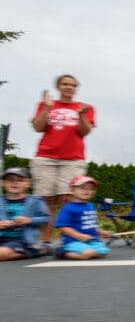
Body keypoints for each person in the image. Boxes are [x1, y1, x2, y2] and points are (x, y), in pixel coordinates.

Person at [30, 74, 95, 243]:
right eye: (65, 84)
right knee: (45, 200)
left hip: (72, 158)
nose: (69, 87)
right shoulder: (45, 105)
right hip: (46, 156)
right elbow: (38, 127)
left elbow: (85, 132)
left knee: (69, 199)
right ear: (58, 87)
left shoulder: (85, 107)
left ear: (76, 88)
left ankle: (70, 240)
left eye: (72, 85)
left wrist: (81, 115)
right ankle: (46, 241)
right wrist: (46, 108)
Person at [54, 176, 113, 260]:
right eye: (82, 188)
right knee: (89, 253)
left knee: (103, 252)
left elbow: (91, 224)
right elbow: (64, 227)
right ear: (72, 190)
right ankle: (64, 253)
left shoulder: (91, 206)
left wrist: (102, 232)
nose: (87, 191)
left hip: (91, 240)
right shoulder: (68, 208)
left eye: (91, 189)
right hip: (73, 241)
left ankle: (85, 252)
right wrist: (78, 236)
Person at [0, 168, 52, 261]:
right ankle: (32, 251)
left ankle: (33, 251)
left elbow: (46, 218)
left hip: (22, 239)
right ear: (3, 183)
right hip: (2, 236)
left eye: (20, 180)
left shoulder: (36, 200)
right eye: (10, 180)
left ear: (29, 184)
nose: (14, 183)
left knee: (1, 254)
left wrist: (29, 220)